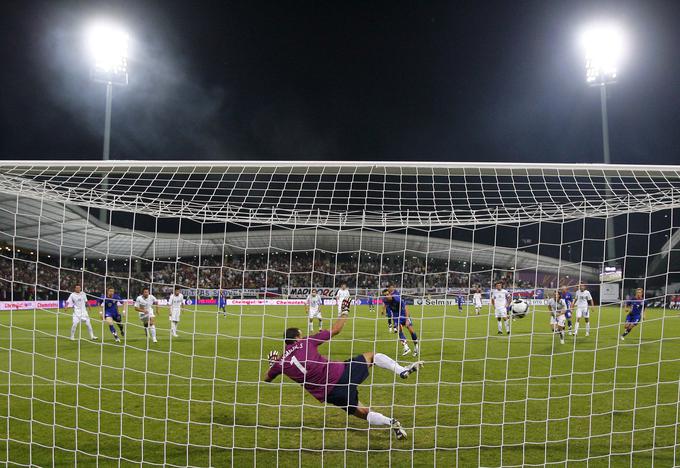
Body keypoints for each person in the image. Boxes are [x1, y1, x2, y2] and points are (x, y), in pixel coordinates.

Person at [264, 298, 423, 440]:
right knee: (371, 356)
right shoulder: (305, 342)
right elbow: (336, 329)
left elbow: (267, 379)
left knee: (362, 412)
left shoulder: (281, 363)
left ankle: (392, 423)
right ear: (297, 337)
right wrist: (344, 311)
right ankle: (401, 370)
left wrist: (273, 363)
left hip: (331, 394)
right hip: (340, 374)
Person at [386, 285, 419, 356]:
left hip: (404, 315)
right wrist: (394, 320)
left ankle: (416, 347)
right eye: (385, 295)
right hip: (396, 317)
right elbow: (389, 312)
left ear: (390, 294)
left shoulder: (397, 298)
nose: (386, 296)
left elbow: (406, 307)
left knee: (411, 331)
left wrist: (407, 319)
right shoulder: (386, 301)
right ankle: (406, 348)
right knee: (399, 330)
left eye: (387, 295)